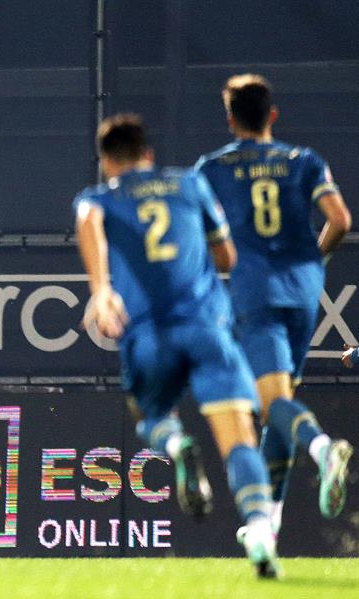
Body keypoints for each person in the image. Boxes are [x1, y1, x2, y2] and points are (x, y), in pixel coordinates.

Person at [76, 114, 280, 577]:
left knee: (149, 414)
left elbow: (89, 221)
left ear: (107, 162)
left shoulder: (98, 198)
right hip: (208, 328)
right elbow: (227, 256)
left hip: (150, 335)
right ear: (148, 154)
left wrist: (101, 287)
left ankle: (176, 443)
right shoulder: (190, 184)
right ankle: (261, 532)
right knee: (240, 440)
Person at [195, 74, 353, 537]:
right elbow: (340, 220)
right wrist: (313, 258)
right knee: (276, 406)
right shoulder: (303, 160)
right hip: (304, 289)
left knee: (272, 403)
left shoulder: (214, 167)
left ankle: (323, 448)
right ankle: (269, 523)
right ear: (273, 115)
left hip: (256, 290)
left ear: (229, 120)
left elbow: (198, 236)